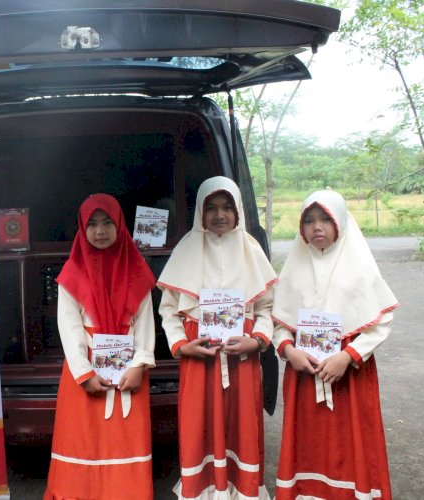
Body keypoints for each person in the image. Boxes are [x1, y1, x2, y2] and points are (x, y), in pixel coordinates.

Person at [272, 190, 397, 500]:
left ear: (340, 220)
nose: (317, 227)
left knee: (350, 441)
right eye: (309, 221)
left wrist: (348, 356)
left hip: (349, 375)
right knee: (309, 442)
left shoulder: (360, 269)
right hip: (303, 374)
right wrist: (289, 350)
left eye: (326, 219)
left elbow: (379, 323)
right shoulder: (293, 270)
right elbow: (280, 324)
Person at [157, 176, 277, 500]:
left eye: (227, 207)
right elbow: (169, 310)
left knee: (242, 428)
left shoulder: (251, 250)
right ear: (200, 211)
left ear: (238, 211)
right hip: (200, 360)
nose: (220, 215)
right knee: (199, 428)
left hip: (242, 360)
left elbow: (266, 308)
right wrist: (182, 345)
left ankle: (242, 492)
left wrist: (259, 341)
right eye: (211, 208)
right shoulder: (186, 249)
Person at [43, 193, 157, 500]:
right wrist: (84, 373)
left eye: (107, 222)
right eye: (92, 224)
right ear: (82, 229)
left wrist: (139, 365)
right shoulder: (73, 273)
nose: (100, 230)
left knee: (124, 440)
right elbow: (69, 328)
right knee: (84, 440)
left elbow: (145, 322)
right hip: (87, 372)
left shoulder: (137, 270)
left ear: (120, 225)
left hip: (129, 373)